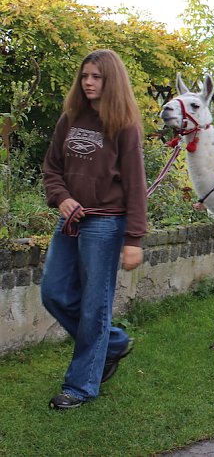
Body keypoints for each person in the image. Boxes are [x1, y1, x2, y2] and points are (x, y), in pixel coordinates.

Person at [41, 50, 148, 410]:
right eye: (84, 75)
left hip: (106, 224)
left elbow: (135, 186)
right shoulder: (71, 118)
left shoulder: (124, 126)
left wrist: (134, 239)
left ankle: (81, 385)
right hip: (71, 219)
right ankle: (113, 343)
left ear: (111, 80)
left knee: (94, 306)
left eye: (96, 77)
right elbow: (52, 167)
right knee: (53, 293)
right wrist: (61, 198)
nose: (88, 82)